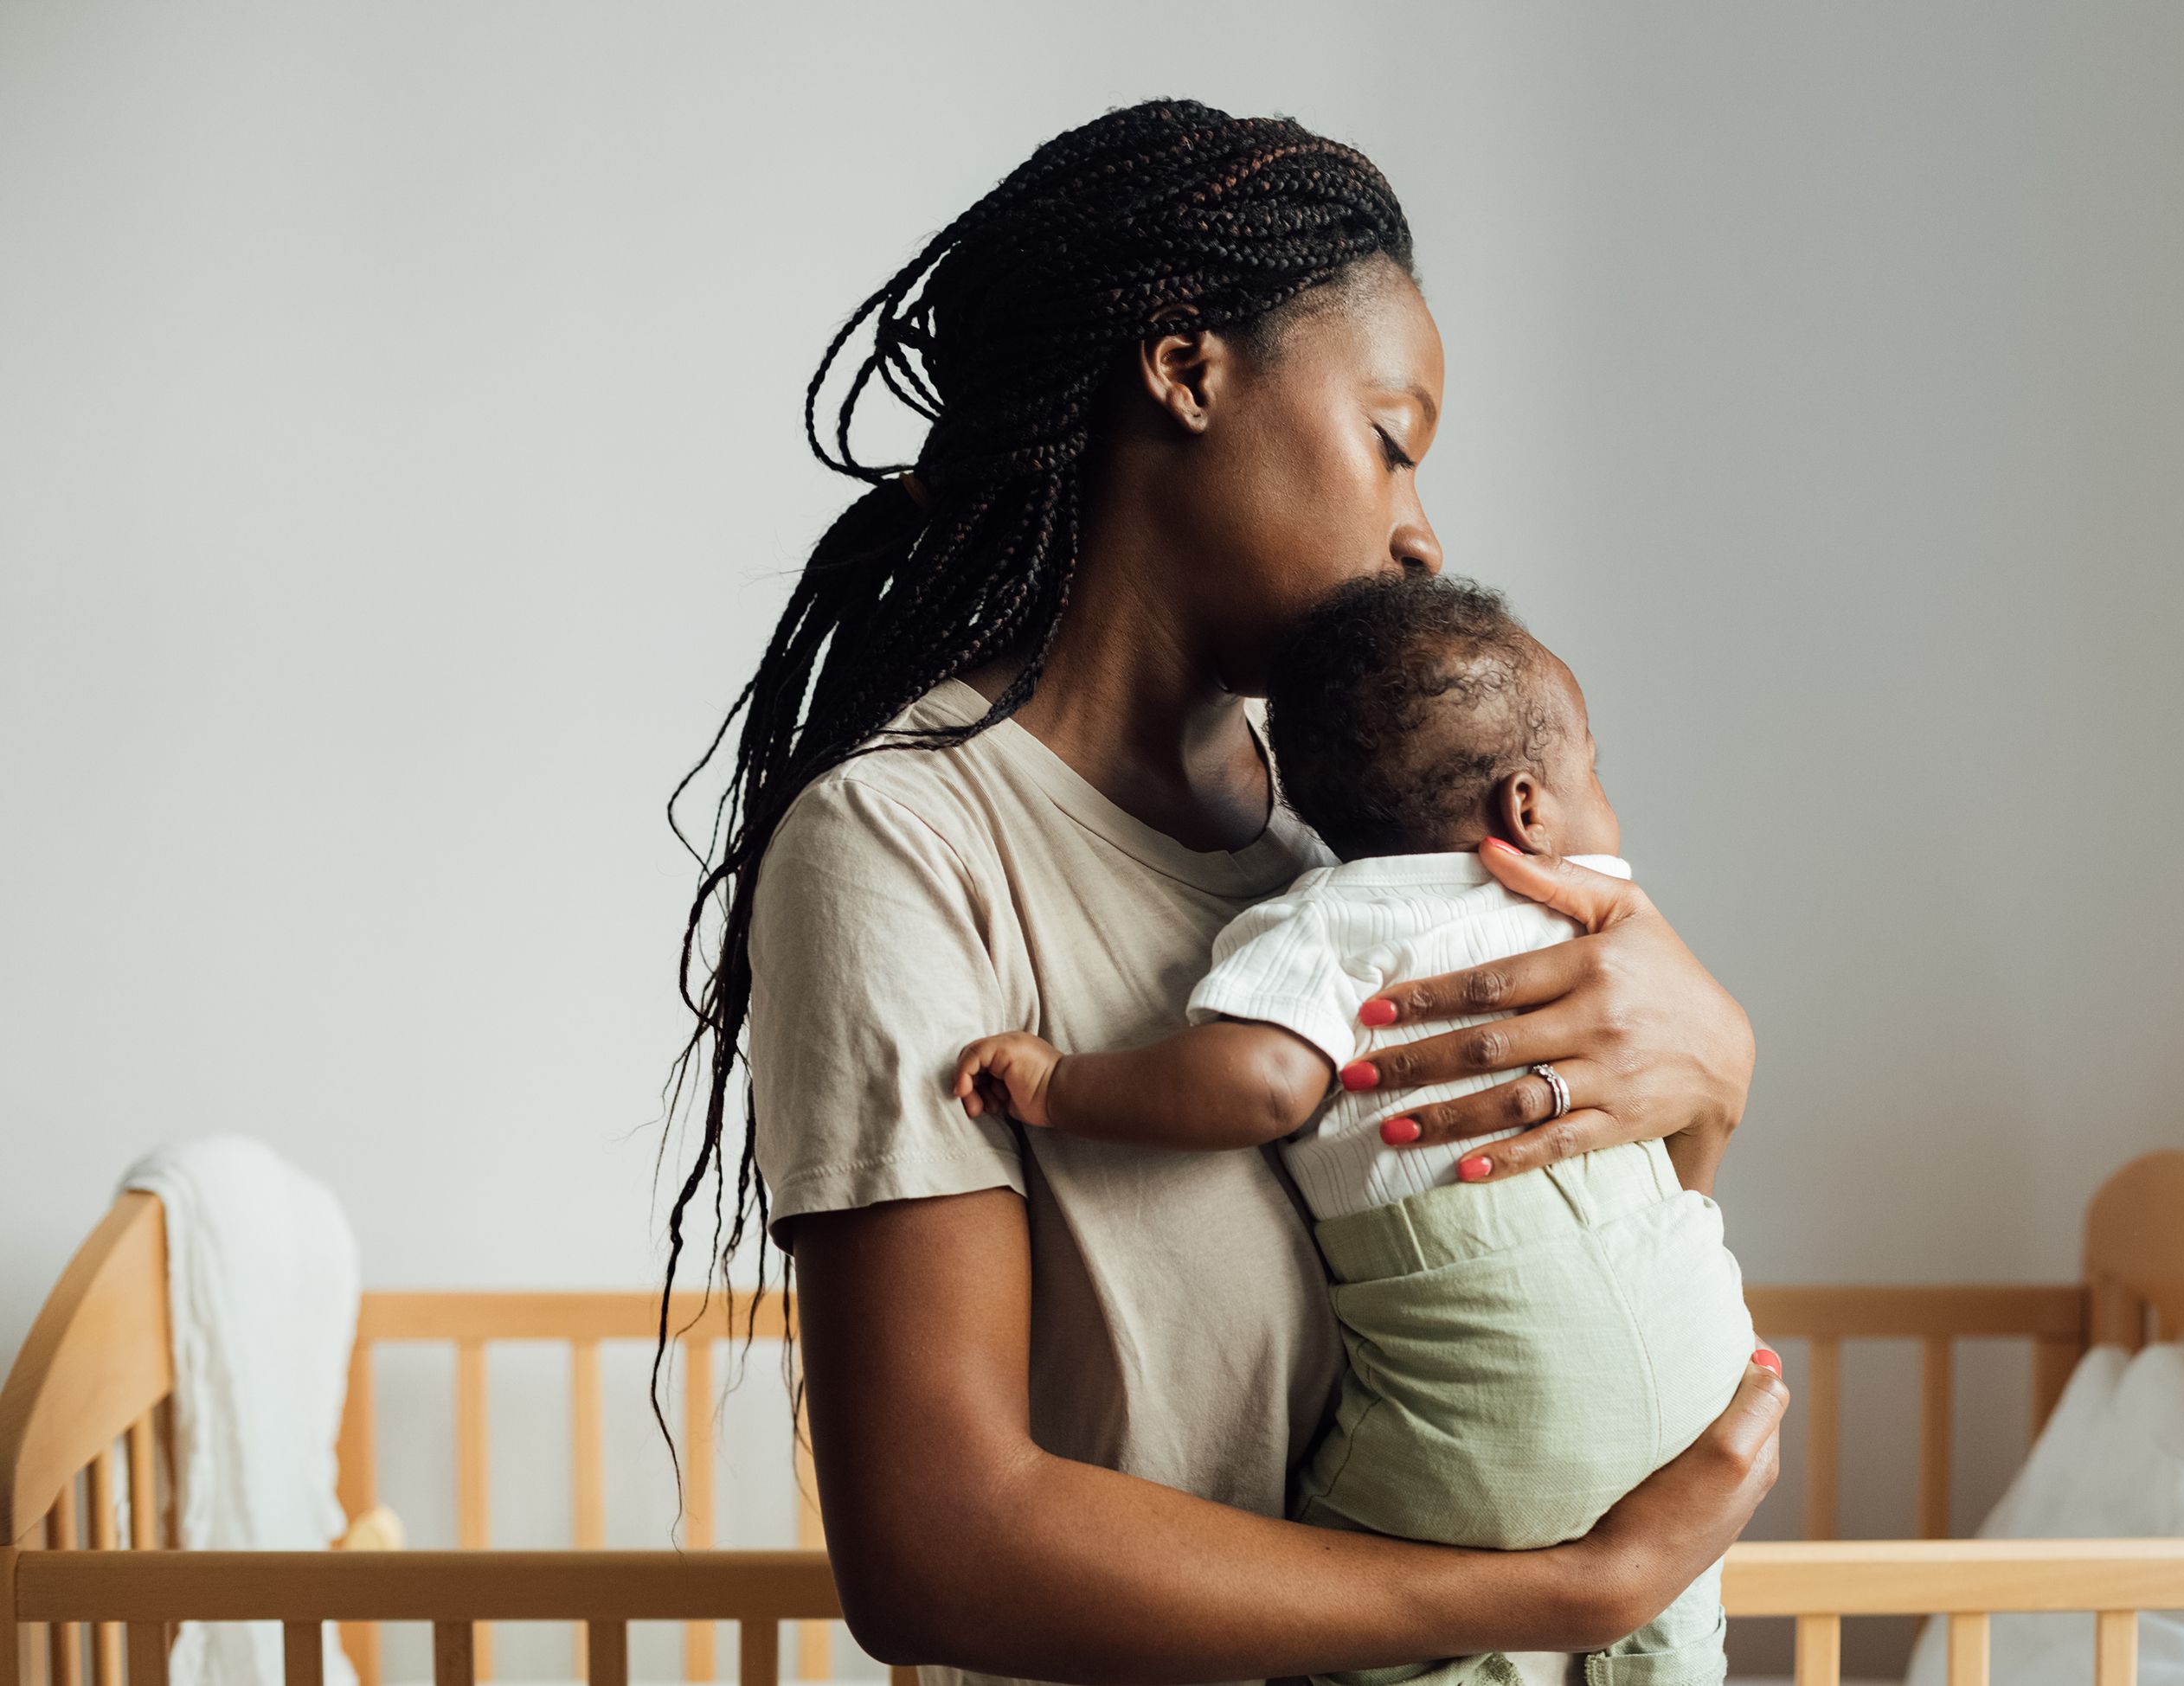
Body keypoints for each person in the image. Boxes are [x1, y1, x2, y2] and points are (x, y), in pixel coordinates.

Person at [660, 99, 1785, 1686]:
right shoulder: (908, 844)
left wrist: (1717, 1062)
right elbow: (935, 1548)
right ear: (1187, 371)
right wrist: (1561, 1590)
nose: (1421, 530)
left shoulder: (1354, 848)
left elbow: (1561, 1269)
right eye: (1390, 437)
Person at [953, 574, 1768, 1686]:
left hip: (1505, 1381)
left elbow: (1264, 1081)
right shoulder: (1599, 909)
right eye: (1599, 769)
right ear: (1530, 807)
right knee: (1675, 1598)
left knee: (1345, 1601)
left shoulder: (1331, 921)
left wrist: (1062, 1087)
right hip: (1700, 1357)